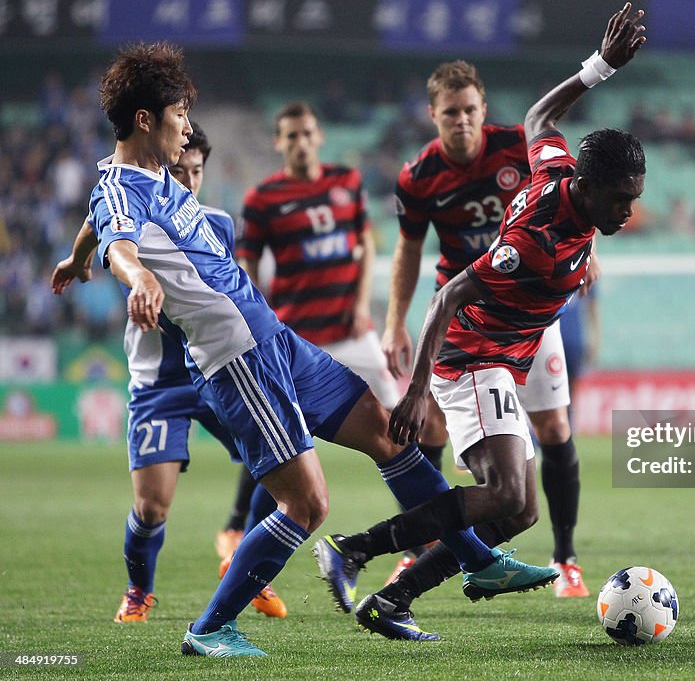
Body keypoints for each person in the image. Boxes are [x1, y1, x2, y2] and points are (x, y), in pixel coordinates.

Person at [84, 42, 556, 658]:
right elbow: (118, 237)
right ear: (145, 120)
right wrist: (137, 276)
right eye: (178, 116)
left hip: (276, 340)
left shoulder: (147, 175)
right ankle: (209, 629)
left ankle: (477, 562)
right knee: (306, 504)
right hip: (237, 360)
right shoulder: (126, 187)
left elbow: (97, 221)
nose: (186, 129)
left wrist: (73, 258)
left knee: (391, 434)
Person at [313, 3, 646, 641]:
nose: (630, 211)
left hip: (509, 352)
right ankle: (353, 549)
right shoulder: (534, 241)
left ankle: (393, 600)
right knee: (507, 500)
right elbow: (448, 295)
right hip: (474, 357)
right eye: (622, 200)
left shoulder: (554, 169)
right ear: (591, 187)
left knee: (517, 507)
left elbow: (538, 116)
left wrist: (601, 67)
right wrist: (413, 390)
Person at [51, 122, 286, 622]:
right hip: (159, 382)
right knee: (153, 507)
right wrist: (78, 258)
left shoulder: (217, 222)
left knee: (283, 458)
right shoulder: (133, 203)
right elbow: (103, 222)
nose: (187, 180)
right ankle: (139, 590)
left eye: (196, 171)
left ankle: (248, 570)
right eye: (179, 170)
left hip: (219, 367)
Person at [381, 58, 589, 595]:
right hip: (465, 313)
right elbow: (408, 252)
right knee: (429, 429)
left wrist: (581, 258)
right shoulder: (418, 176)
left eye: (470, 110)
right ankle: (420, 550)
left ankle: (565, 558)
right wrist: (394, 324)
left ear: (484, 110)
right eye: (451, 112)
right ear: (433, 115)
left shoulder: (515, 146)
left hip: (532, 311)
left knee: (554, 428)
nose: (462, 120)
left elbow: (566, 200)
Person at [214, 101, 402, 564]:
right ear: (279, 143)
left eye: (307, 133)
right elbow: (249, 268)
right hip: (298, 341)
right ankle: (239, 525)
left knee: (398, 427)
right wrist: (262, 326)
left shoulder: (347, 182)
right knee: (282, 438)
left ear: (319, 137)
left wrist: (361, 307)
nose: (300, 143)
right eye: (291, 136)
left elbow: (363, 248)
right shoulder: (263, 199)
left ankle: (422, 531)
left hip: (352, 331)